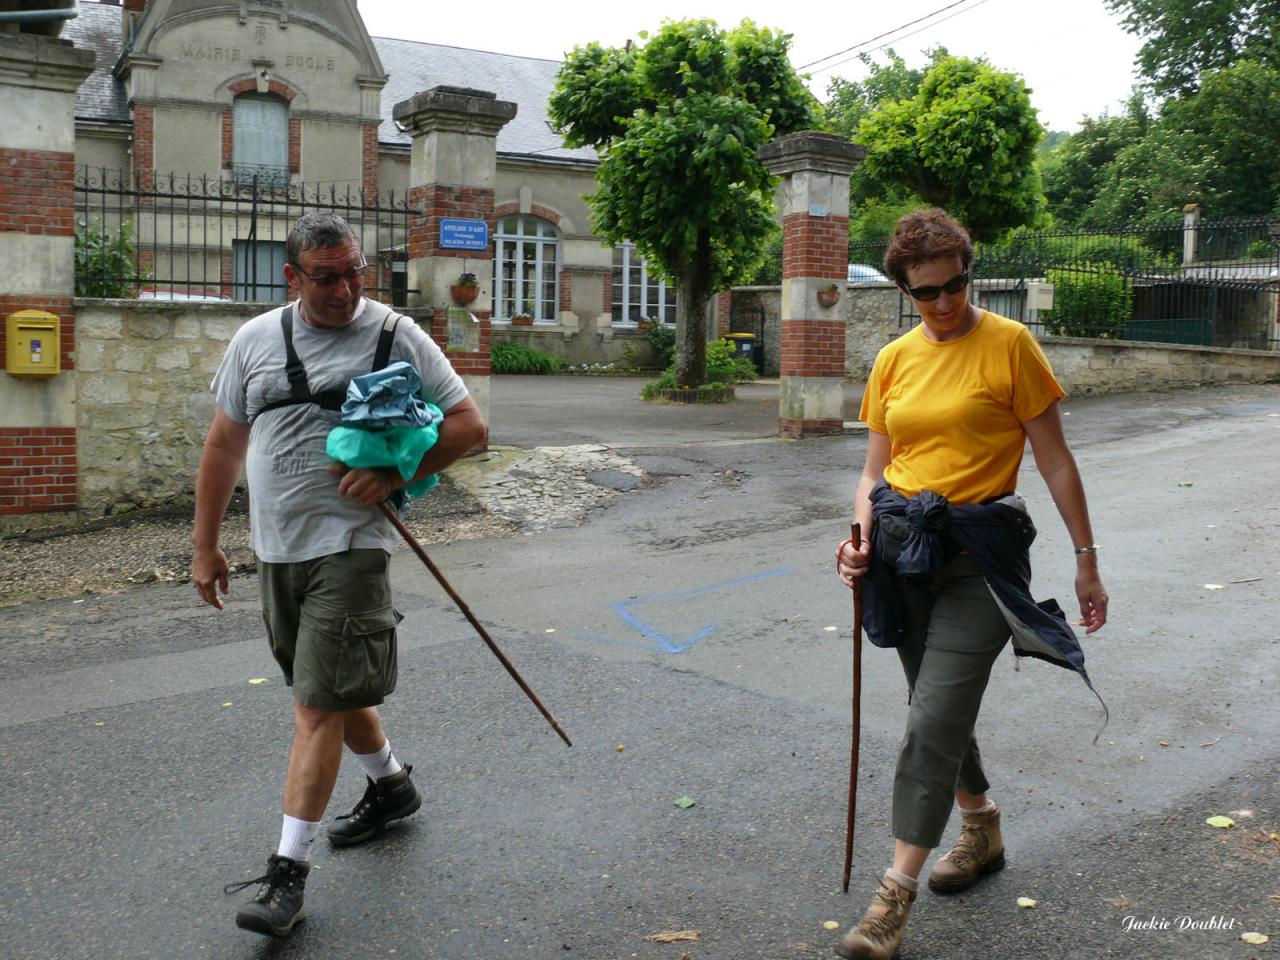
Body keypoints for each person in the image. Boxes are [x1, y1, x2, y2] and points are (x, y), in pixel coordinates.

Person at [192, 212, 487, 938]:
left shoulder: (392, 334)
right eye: (327, 276)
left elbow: (471, 429)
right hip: (277, 546)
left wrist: (395, 468)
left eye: (356, 271)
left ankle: (286, 876)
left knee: (316, 705)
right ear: (292, 277)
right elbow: (225, 443)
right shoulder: (254, 341)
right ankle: (391, 786)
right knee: (325, 683)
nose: (347, 288)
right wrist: (204, 544)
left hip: (354, 546)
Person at [832, 208, 1109, 960]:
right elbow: (873, 472)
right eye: (928, 293)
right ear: (903, 291)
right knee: (935, 708)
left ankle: (892, 898)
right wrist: (856, 541)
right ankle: (980, 827)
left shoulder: (1011, 345)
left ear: (968, 274)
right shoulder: (894, 360)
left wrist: (1086, 556)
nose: (947, 303)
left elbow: (1053, 459)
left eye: (957, 285)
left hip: (982, 561)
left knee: (930, 719)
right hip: (902, 556)